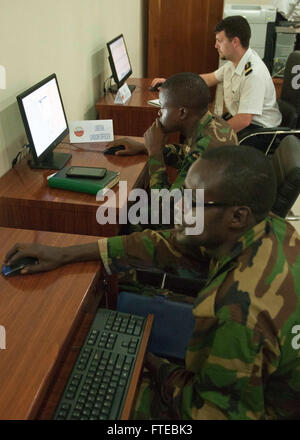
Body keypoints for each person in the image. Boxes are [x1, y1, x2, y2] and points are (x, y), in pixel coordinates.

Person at [4, 145, 300, 420]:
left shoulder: (239, 311)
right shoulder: (267, 226)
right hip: (250, 377)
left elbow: (212, 414)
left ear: (237, 216)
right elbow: (164, 244)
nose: (180, 207)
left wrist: (153, 366)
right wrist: (66, 253)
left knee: (84, 399)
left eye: (193, 201)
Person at [151, 16, 282, 149]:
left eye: (220, 41)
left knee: (203, 145)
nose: (216, 45)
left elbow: (244, 120)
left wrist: (212, 136)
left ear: (235, 42)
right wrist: (171, 84)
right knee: (190, 127)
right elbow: (209, 78)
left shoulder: (253, 73)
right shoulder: (234, 62)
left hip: (258, 133)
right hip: (243, 122)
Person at [106, 72, 237, 191]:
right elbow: (186, 154)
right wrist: (144, 147)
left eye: (162, 107)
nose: (159, 112)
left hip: (205, 214)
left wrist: (155, 152)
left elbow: (166, 208)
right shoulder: (213, 124)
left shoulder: (206, 149)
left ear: (182, 112)